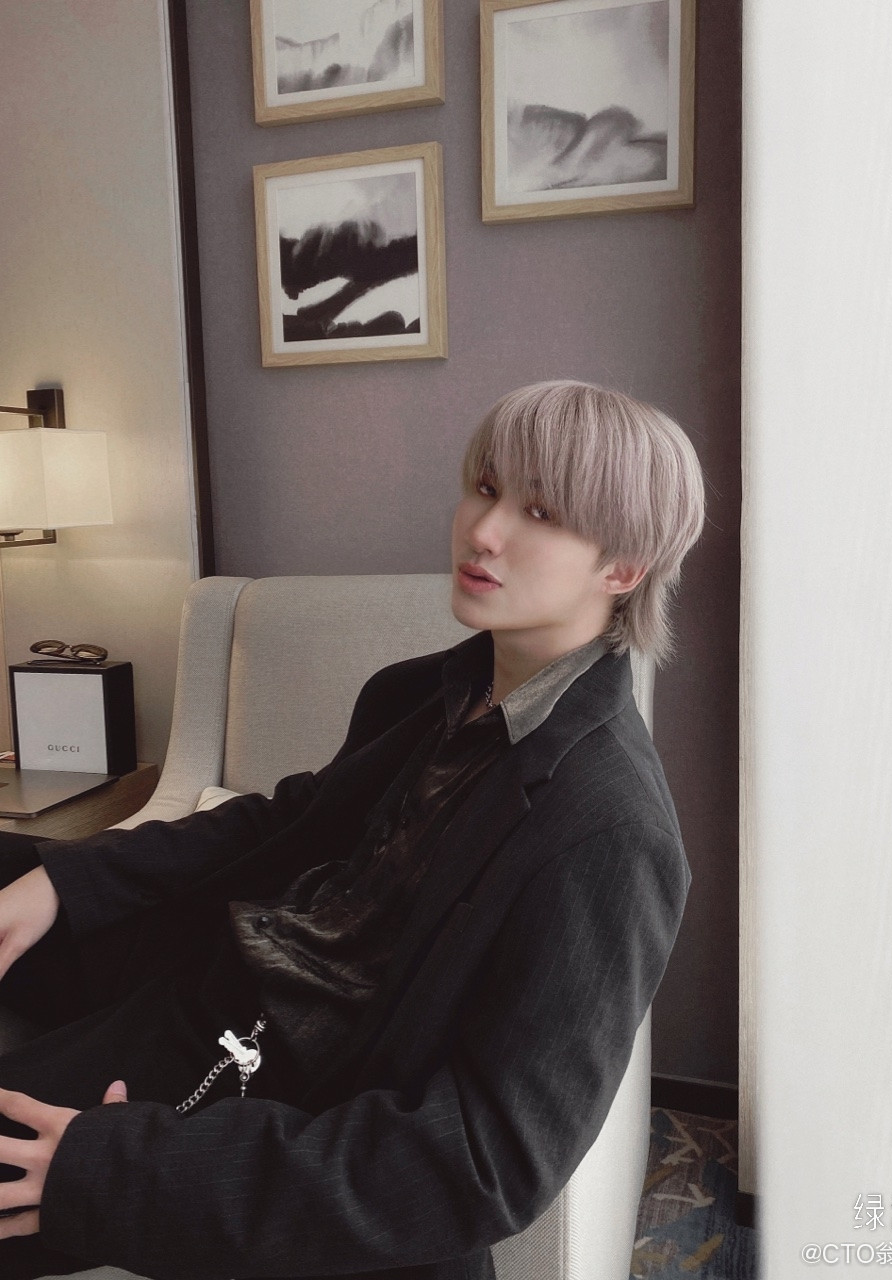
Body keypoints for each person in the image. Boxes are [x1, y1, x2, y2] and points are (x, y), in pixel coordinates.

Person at [0, 379, 705, 1280]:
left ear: (623, 570)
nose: (483, 531)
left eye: (541, 513)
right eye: (487, 488)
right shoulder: (426, 693)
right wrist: (66, 882)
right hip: (215, 968)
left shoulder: (610, 832)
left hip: (270, 1087)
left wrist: (125, 1173)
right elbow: (284, 821)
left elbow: (486, 1161)